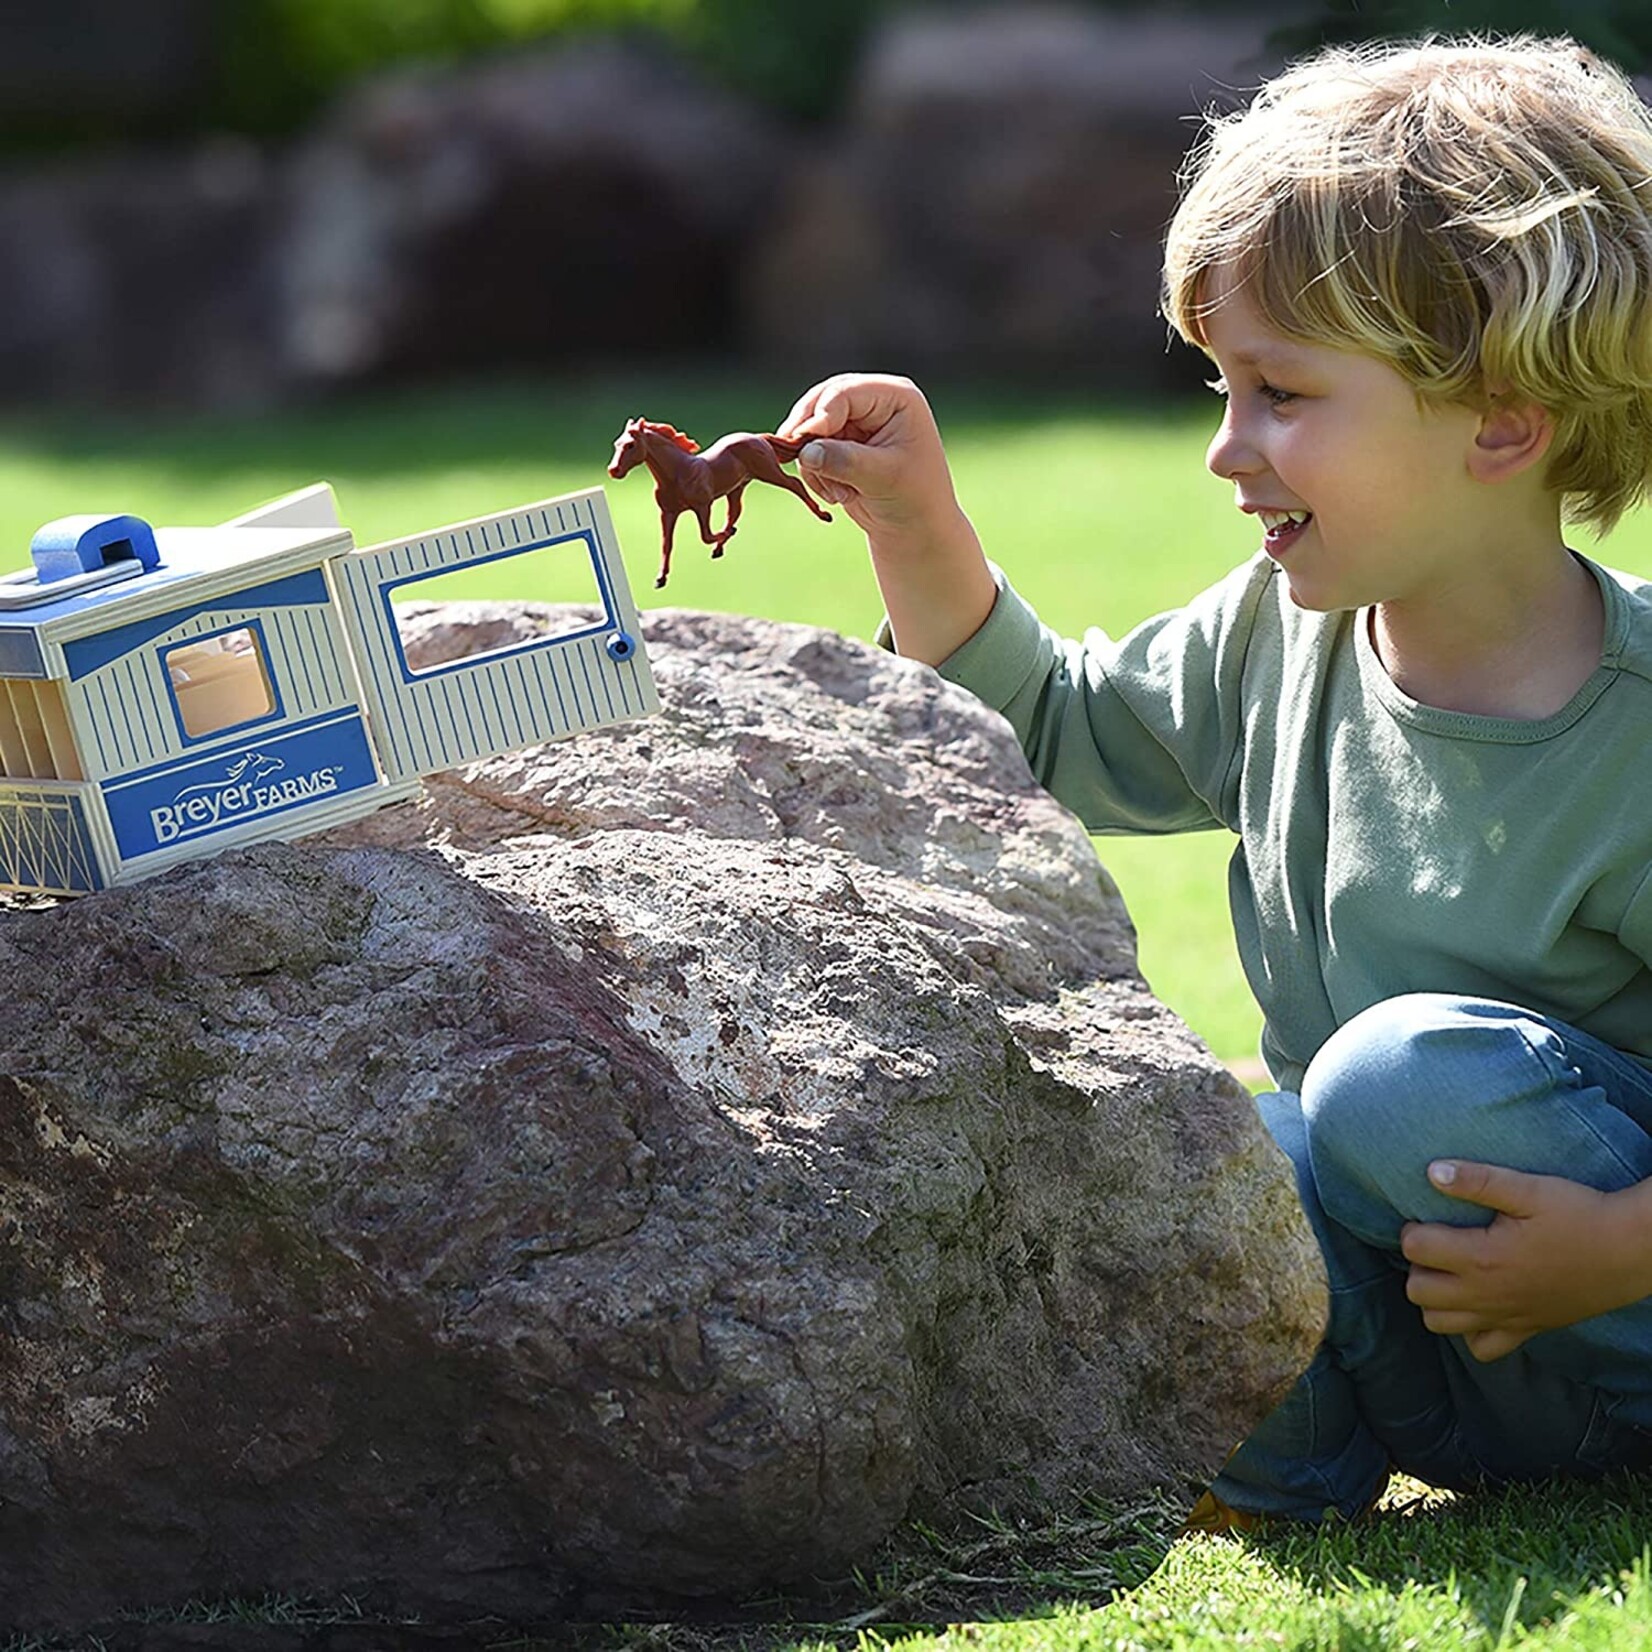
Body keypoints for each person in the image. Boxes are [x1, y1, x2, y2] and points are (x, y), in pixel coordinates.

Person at [773, 35, 1652, 1526]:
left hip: (1607, 1305)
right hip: (1436, 1342)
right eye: (1220, 385)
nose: (1224, 449)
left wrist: (1622, 1252)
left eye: (1283, 393)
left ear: (1504, 420)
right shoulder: (1272, 637)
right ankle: (1284, 1481)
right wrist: (917, 521)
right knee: (1214, 1143)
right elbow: (1040, 735)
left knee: (1394, 1074)